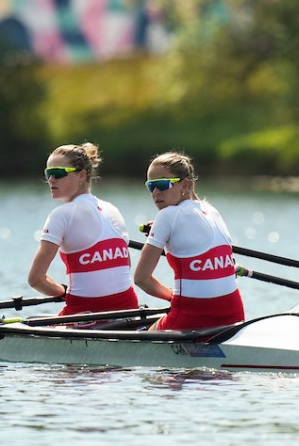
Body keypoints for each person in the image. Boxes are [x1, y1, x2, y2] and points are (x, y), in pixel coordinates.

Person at [133, 151, 244, 331]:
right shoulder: (211, 210)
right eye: (150, 186)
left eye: (162, 184)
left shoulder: (166, 216)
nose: (156, 192)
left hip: (193, 317)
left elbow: (141, 279)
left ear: (184, 184)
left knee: (141, 335)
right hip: (234, 315)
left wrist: (171, 297)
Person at [27, 142, 140, 317]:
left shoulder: (61, 215)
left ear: (81, 176)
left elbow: (35, 280)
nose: (51, 179)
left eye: (58, 173)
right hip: (129, 310)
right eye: (48, 173)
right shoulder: (113, 209)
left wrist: (62, 292)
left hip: (86, 313)